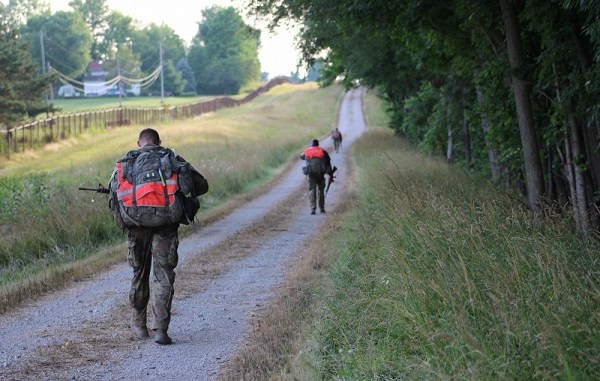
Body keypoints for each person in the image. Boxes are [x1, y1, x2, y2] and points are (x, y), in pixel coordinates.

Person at [108, 128, 208, 345]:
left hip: (137, 227)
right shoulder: (171, 159)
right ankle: (161, 329)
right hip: (166, 224)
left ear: (138, 143)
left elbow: (113, 196)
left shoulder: (125, 164)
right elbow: (201, 186)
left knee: (139, 274)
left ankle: (139, 326)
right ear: (159, 141)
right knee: (163, 276)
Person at [301, 139, 334, 214]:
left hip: (311, 174)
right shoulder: (322, 151)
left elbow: (301, 157)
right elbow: (328, 162)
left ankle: (313, 208)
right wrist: (330, 173)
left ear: (312, 145)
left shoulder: (307, 151)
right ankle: (322, 208)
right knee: (321, 191)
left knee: (312, 190)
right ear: (318, 144)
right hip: (321, 174)